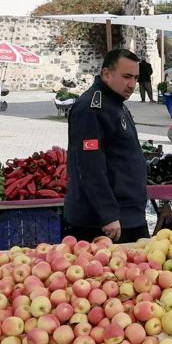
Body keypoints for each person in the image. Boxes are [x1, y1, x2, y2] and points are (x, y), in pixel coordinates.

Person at [64, 49, 149, 243]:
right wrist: (108, 214)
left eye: (136, 78)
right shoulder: (92, 108)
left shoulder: (116, 103)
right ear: (106, 74)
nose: (132, 84)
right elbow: (89, 165)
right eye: (126, 77)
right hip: (105, 223)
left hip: (128, 214)